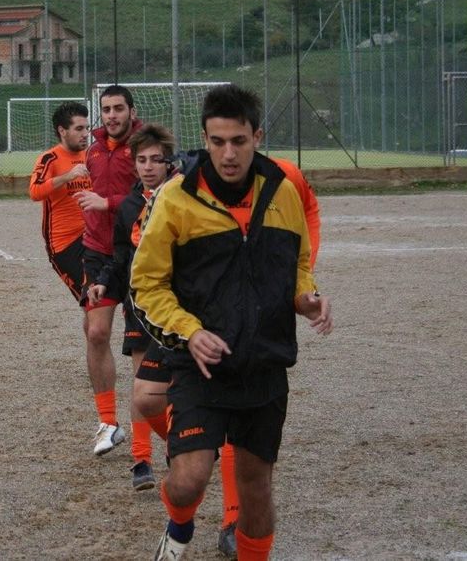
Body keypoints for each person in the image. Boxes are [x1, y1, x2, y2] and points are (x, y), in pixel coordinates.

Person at [130, 84, 332, 561]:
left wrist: (305, 297)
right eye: (217, 141)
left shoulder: (283, 191)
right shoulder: (176, 197)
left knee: (256, 488)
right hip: (199, 364)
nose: (228, 154)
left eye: (239, 141)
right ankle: (180, 524)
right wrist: (190, 331)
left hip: (263, 363)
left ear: (257, 137)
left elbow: (297, 263)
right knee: (188, 480)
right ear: (204, 139)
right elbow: (145, 285)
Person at [87, 124, 176, 490]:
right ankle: (142, 460)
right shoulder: (129, 206)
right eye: (142, 160)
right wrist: (104, 281)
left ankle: (182, 443)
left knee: (177, 385)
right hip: (140, 305)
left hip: (180, 307)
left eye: (156, 159)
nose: (149, 166)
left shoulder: (184, 198)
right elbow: (121, 256)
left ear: (170, 162)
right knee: (143, 384)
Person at [73, 85, 143, 456]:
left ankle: (153, 428)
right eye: (106, 109)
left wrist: (107, 202)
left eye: (118, 108)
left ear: (132, 111)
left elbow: (155, 195)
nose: (112, 115)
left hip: (137, 254)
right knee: (96, 332)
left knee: (145, 346)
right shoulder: (94, 148)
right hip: (98, 253)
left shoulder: (146, 146)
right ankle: (108, 423)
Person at [28, 102, 91, 301]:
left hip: (94, 237)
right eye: (79, 129)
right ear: (62, 131)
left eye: (87, 128)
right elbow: (35, 192)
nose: (85, 134)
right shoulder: (50, 159)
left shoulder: (91, 156)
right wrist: (67, 177)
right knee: (90, 300)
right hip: (65, 244)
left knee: (105, 297)